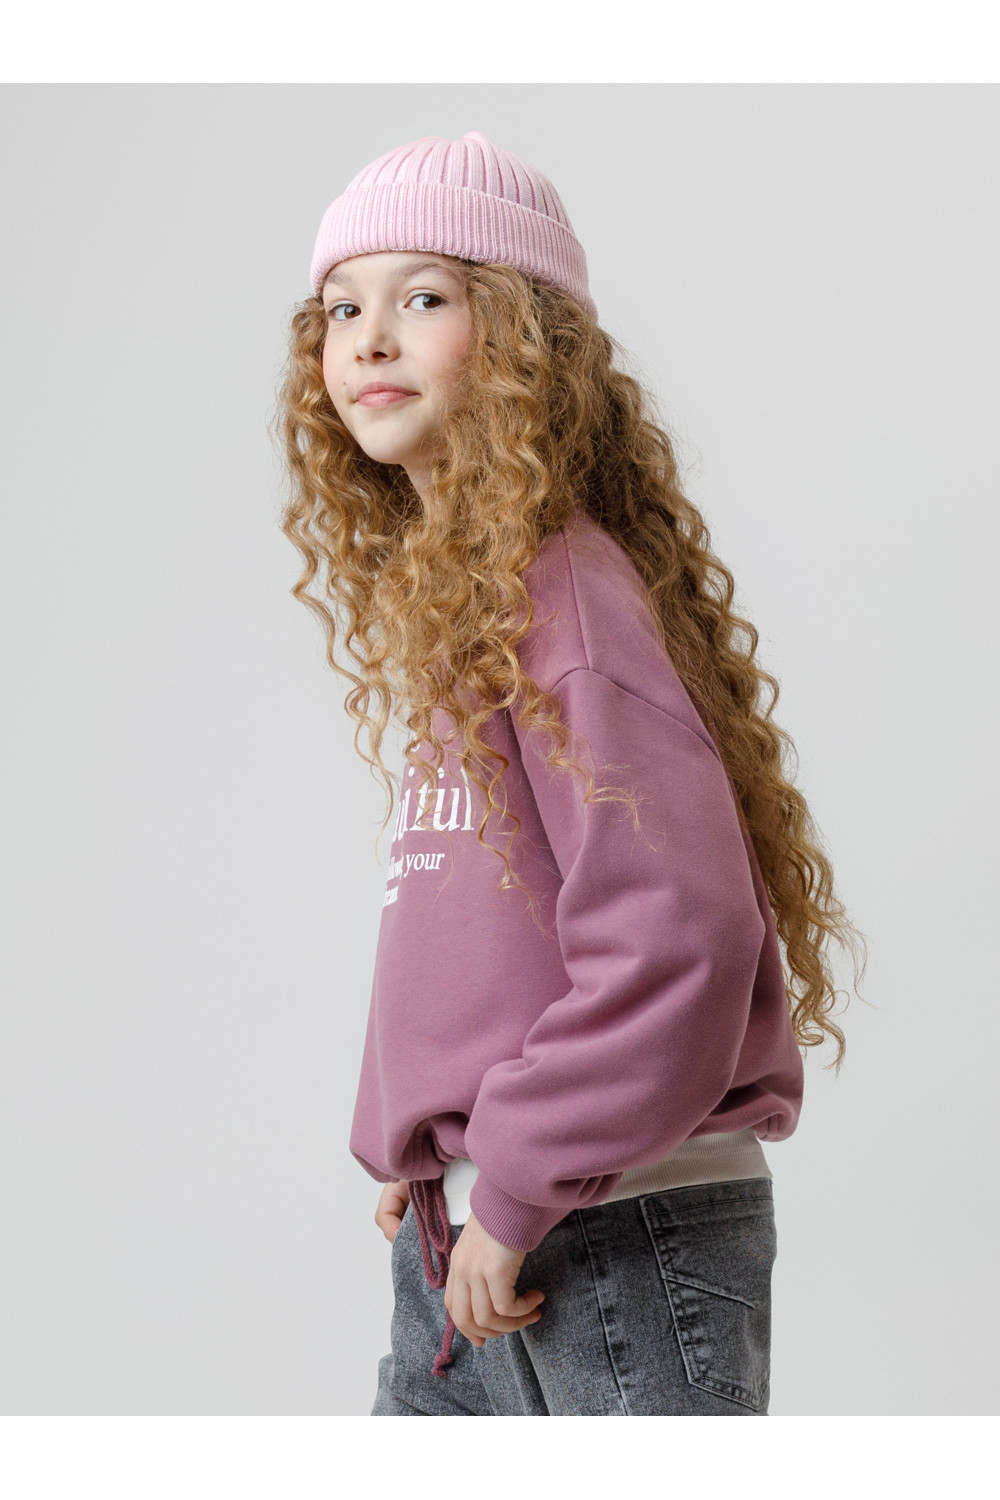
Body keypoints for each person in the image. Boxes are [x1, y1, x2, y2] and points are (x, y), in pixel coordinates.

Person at [273, 130, 868, 1416]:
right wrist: (436, 1142)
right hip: (489, 1223)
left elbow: (678, 935)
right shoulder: (474, 603)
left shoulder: (564, 603)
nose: (367, 340)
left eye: (423, 298)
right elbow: (494, 936)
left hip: (608, 1232)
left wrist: (516, 1178)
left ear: (525, 342)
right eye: (342, 309)